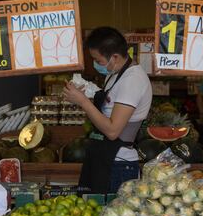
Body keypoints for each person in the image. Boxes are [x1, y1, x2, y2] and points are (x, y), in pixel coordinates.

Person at [63, 27, 152, 193]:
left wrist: (83, 101)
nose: (96, 65)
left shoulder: (132, 80)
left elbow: (112, 131)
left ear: (115, 57)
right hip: (104, 157)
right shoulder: (114, 74)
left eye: (99, 61)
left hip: (118, 164)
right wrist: (88, 93)